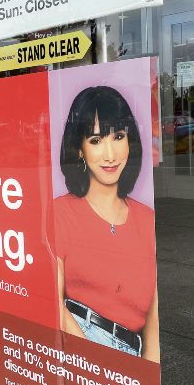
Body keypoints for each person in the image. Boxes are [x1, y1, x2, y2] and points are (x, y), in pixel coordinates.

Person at [54, 86, 159, 363]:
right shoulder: (60, 213)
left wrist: (146, 373)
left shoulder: (147, 220)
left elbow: (155, 318)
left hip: (133, 354)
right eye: (96, 140)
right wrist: (94, 366)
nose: (110, 154)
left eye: (119, 137)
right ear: (79, 149)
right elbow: (53, 302)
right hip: (79, 344)